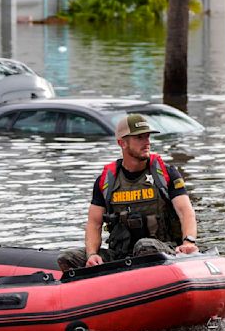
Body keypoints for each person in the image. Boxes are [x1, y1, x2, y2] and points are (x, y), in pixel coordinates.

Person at [58, 114, 199, 270]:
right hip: (120, 255)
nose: (147, 142)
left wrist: (188, 243)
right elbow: (94, 223)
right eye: (139, 137)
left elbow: (185, 212)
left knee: (144, 247)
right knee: (68, 258)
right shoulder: (106, 181)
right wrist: (92, 255)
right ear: (122, 143)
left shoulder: (166, 174)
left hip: (163, 250)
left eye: (147, 137)